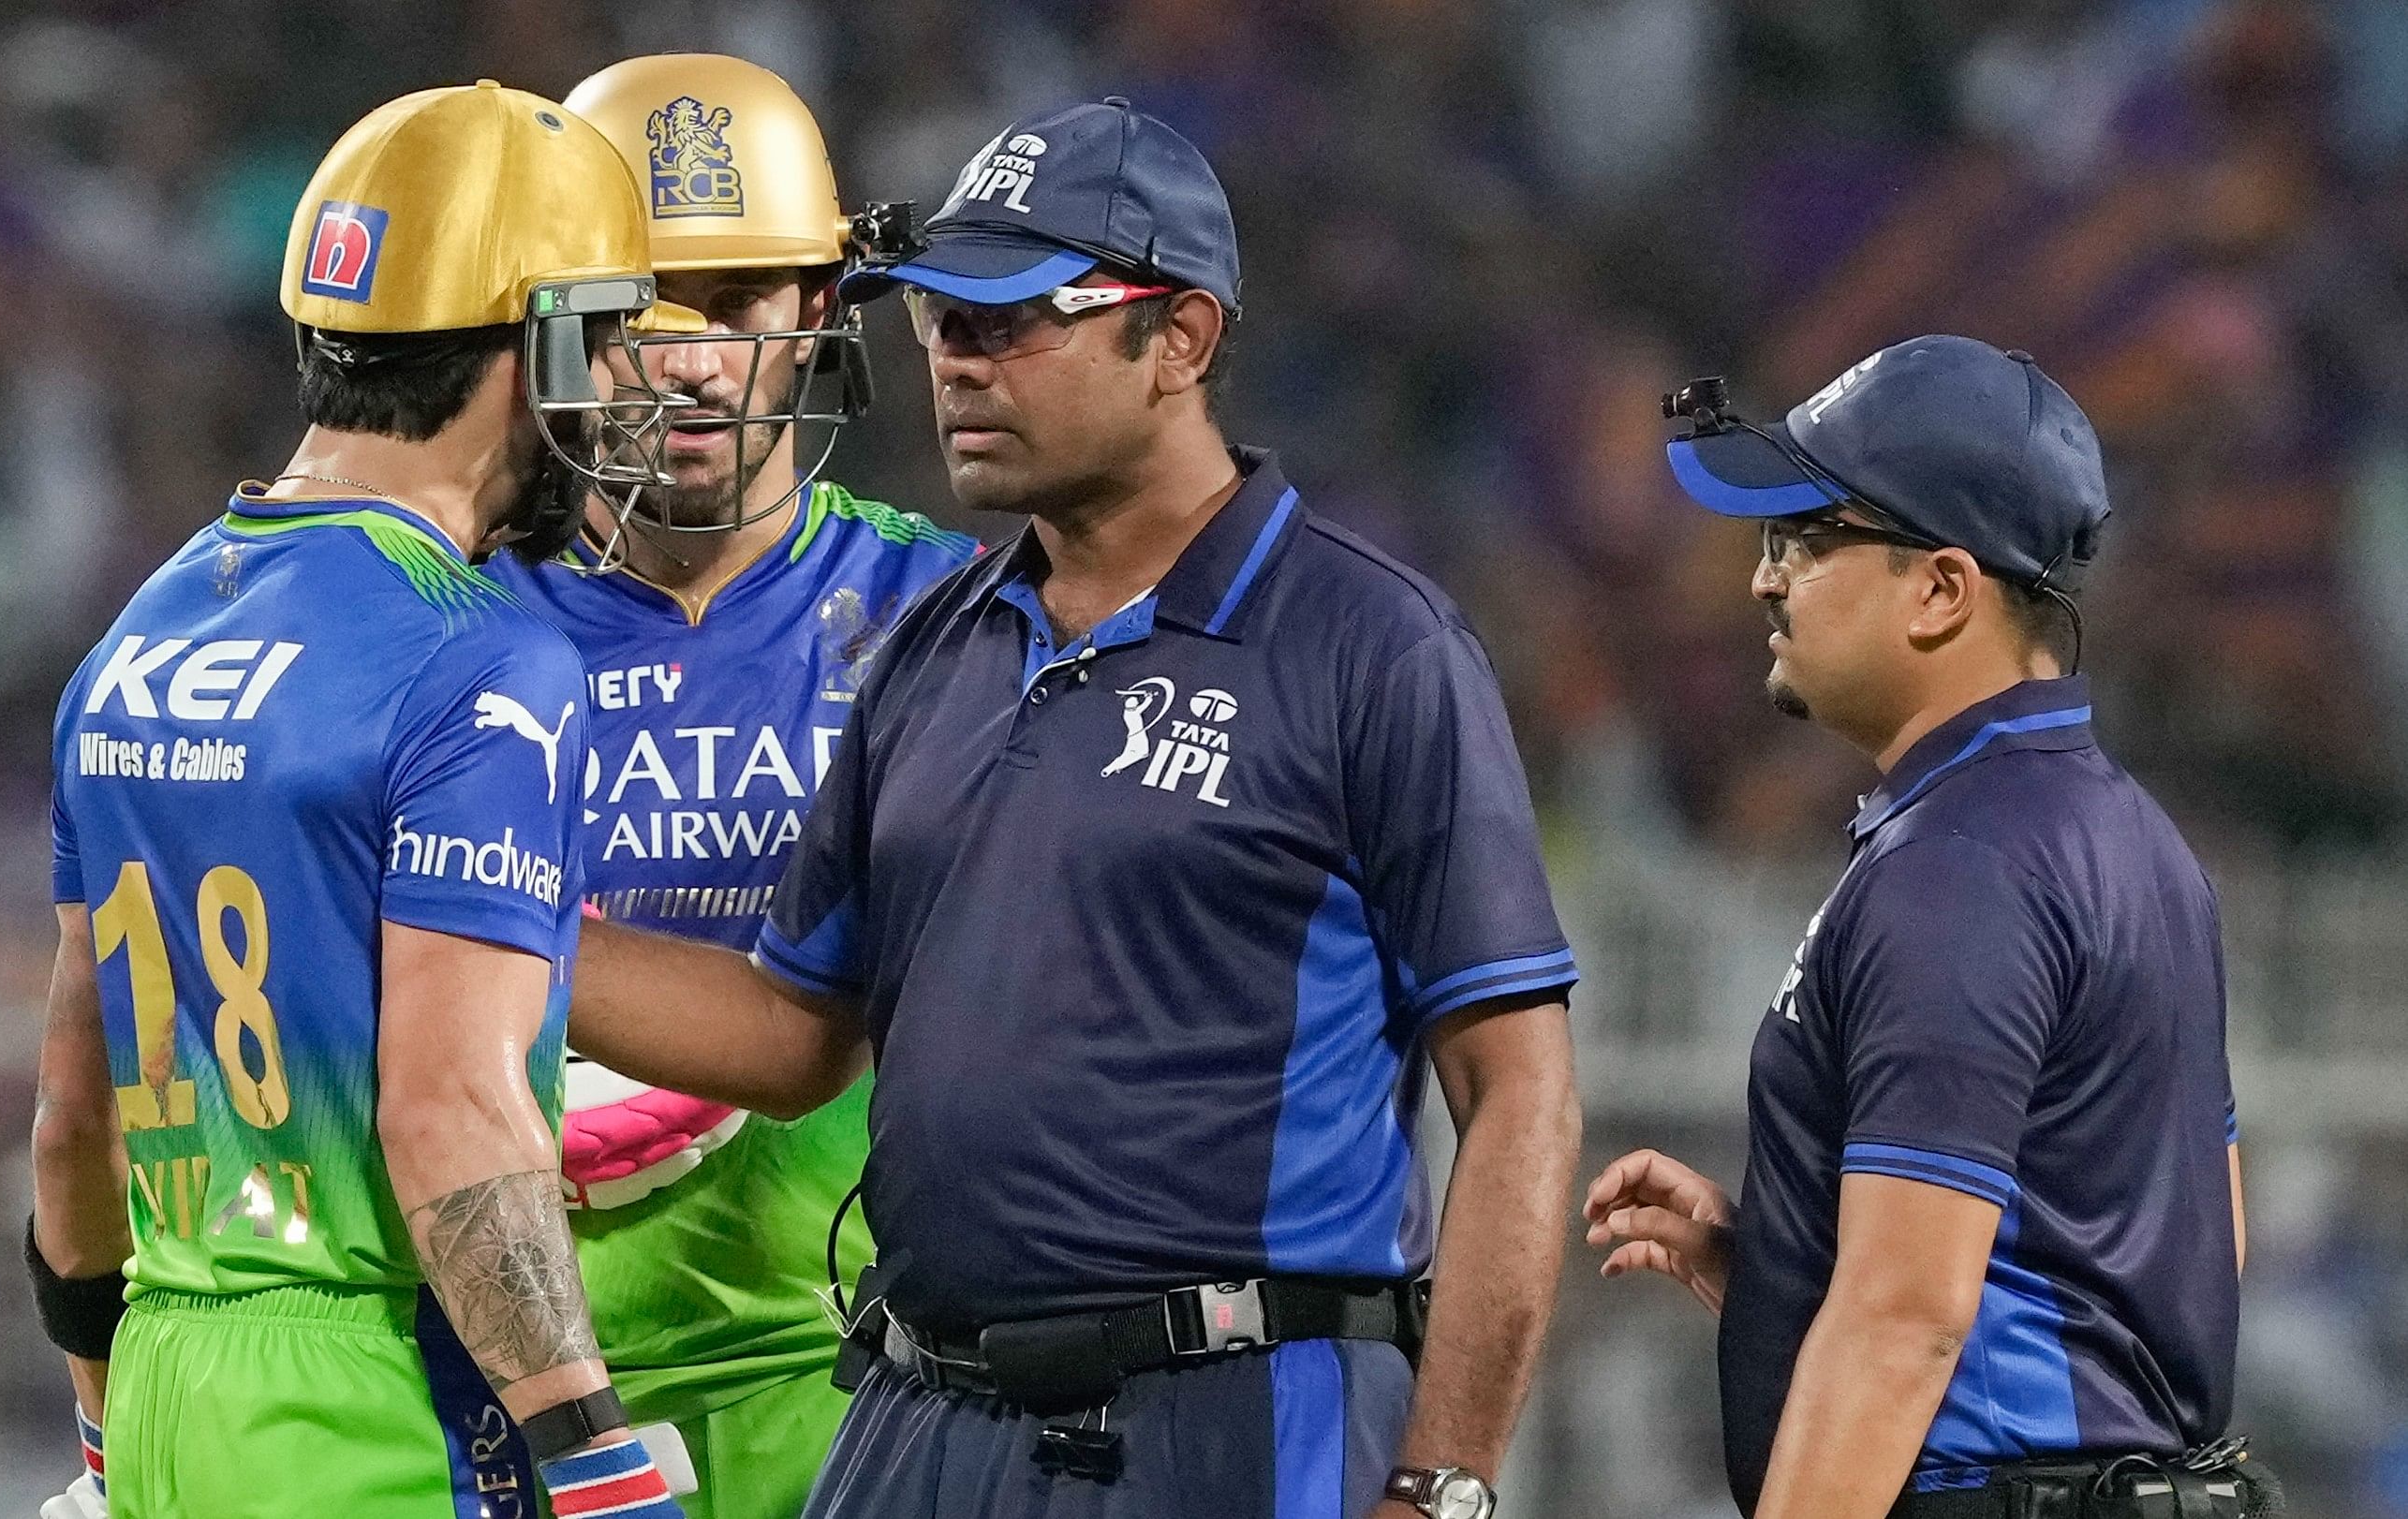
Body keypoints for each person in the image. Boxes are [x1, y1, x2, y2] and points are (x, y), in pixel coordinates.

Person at [563, 97, 1579, 1519]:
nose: (959, 366)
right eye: (938, 326)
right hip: (920, 1411)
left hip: (1229, 1414)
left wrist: (1449, 1478)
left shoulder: (1370, 645)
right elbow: (792, 1035)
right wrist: (475, 923)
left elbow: (1517, 1090)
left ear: (1181, 338)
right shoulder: (928, 649)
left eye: (1009, 321)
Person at [25, 81, 693, 1519]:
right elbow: (450, 1108)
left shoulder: (135, 638)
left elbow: (74, 1115)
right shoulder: (480, 655)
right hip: (385, 1407)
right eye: (615, 337)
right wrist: (595, 1456)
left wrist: (105, 1434)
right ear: (542, 345)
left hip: (168, 1387)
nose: (634, 386)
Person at [1586, 337, 2260, 1519]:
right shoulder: (2133, 840)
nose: (1764, 577)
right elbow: (2187, 1250)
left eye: (1805, 536)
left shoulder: (1957, 864)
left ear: (1942, 589)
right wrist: (1788, 1271)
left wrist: (1875, 1299)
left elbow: (1905, 1324)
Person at [482, 53, 977, 1519]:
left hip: (865, 1383)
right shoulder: (446, 628)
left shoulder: (943, 616)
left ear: (820, 313)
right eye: (644, 308)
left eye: (745, 303)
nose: (693, 358)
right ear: (561, 317)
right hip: (527, 1386)